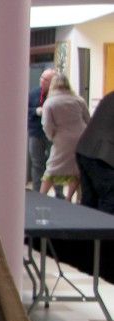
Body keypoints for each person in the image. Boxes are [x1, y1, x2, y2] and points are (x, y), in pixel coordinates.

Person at [41, 74, 89, 202]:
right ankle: (69, 198)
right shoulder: (78, 100)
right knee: (76, 169)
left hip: (62, 138)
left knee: (53, 167)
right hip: (81, 137)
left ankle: (42, 196)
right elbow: (87, 119)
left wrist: (52, 136)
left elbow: (47, 124)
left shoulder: (50, 102)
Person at [76, 91, 114, 213]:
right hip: (103, 155)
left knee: (89, 202)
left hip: (84, 148)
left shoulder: (110, 96)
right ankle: (104, 231)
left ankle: (85, 231)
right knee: (110, 200)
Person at [28, 69, 58, 193]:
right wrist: (36, 111)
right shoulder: (33, 94)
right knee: (37, 163)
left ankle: (59, 192)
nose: (41, 80)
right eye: (41, 77)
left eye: (46, 79)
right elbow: (24, 109)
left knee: (55, 164)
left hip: (53, 135)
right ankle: (36, 190)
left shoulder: (56, 96)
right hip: (36, 133)